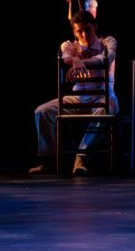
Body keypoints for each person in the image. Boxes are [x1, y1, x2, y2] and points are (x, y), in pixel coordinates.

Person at [31, 10, 118, 177]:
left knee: (105, 112)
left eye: (88, 29)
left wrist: (81, 61)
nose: (84, 34)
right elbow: (65, 56)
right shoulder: (70, 45)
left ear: (95, 27)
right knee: (42, 112)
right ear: (74, 32)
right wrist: (74, 59)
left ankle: (81, 157)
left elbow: (106, 58)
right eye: (80, 31)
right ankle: (49, 160)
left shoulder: (107, 42)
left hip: (103, 97)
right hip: (78, 98)